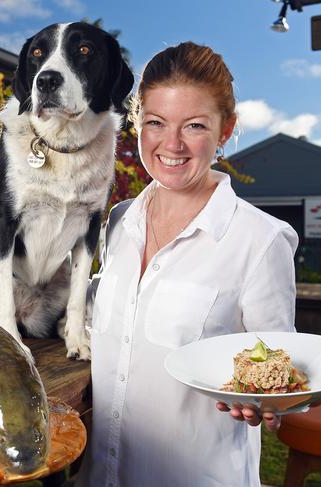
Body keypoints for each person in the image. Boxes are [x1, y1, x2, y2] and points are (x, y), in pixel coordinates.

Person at [76, 42, 298, 487]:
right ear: (137, 122)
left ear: (226, 130)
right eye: (155, 123)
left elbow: (285, 372)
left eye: (194, 126)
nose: (171, 145)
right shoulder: (119, 221)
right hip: (100, 475)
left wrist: (265, 403)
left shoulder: (260, 240)